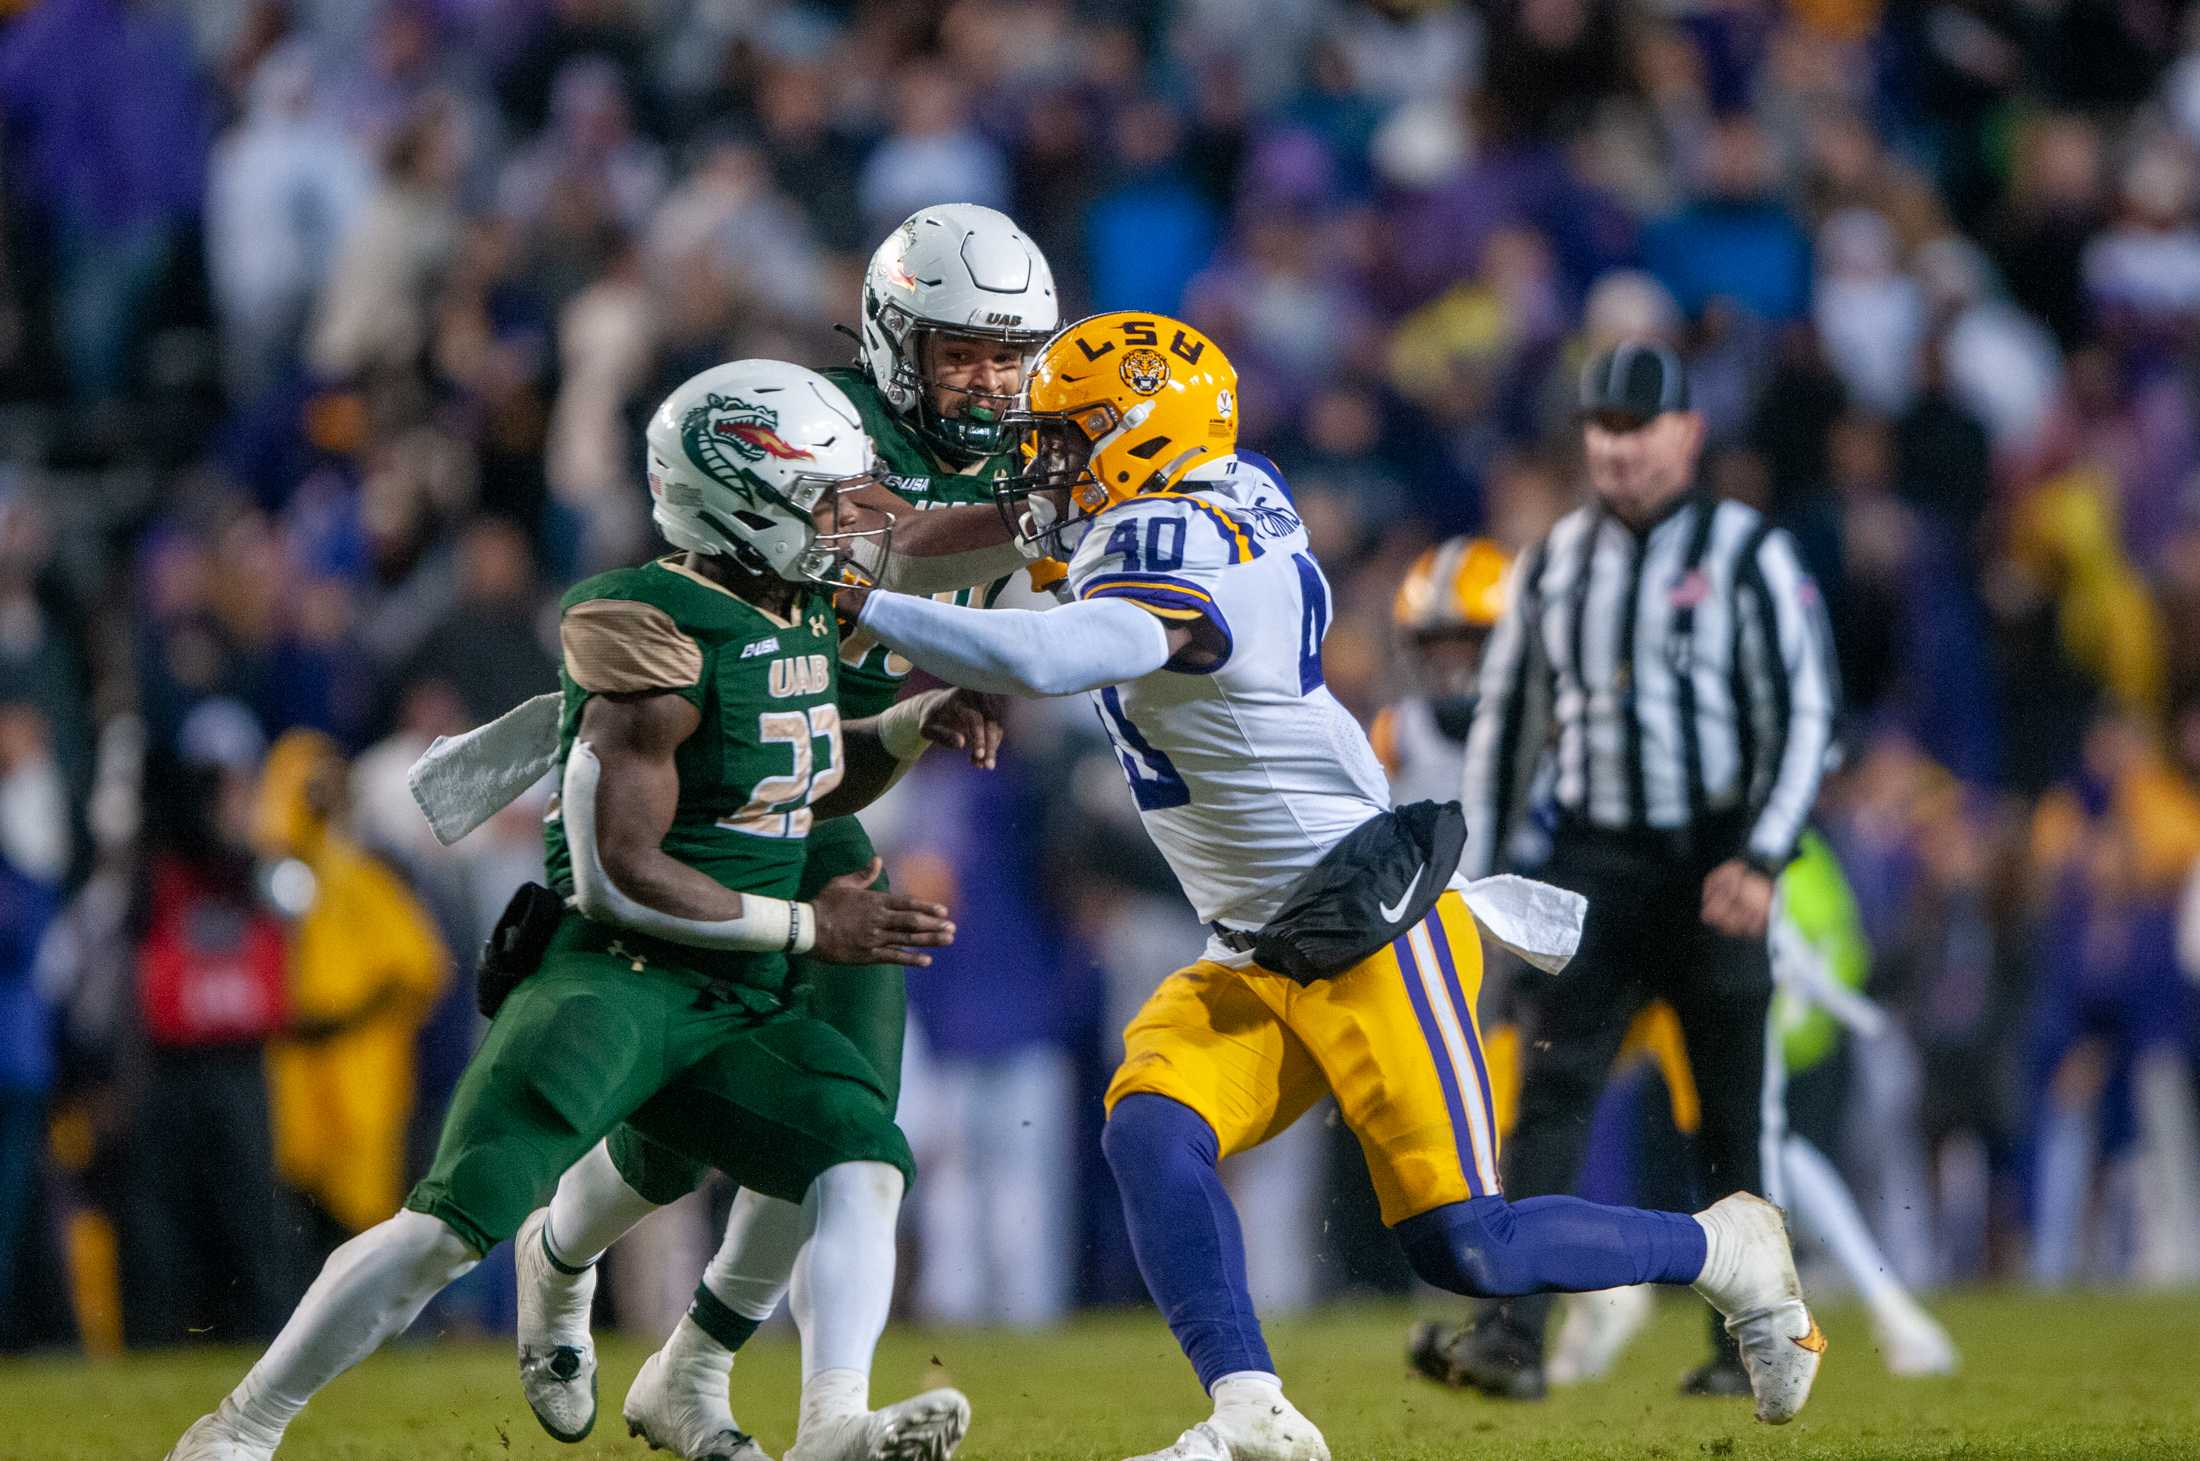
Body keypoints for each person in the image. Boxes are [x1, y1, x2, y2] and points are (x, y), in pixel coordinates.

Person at [835, 312, 1824, 1459]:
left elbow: (1046, 660)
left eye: (1070, 437)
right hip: (1258, 943)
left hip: (1368, 926)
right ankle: (1251, 1409)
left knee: (1468, 1247)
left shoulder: (1182, 547)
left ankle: (1725, 1249)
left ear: (1141, 437)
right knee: (1150, 1131)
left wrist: (859, 593)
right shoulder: (1178, 496)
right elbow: (1003, 537)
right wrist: (883, 535)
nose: (1043, 466)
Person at [164, 359, 1003, 1461]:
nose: (852, 525)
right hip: (615, 976)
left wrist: (902, 727)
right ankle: (239, 1428)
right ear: (743, 501)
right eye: (827, 500)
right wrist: (809, 929)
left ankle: (831, 1427)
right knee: (446, 1231)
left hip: (728, 993)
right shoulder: (646, 628)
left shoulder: (790, 603)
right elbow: (620, 874)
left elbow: (791, 773)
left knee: (859, 1152)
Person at [510, 202, 1061, 1458]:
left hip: (839, 783)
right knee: (673, 1139)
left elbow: (1014, 603)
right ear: (888, 338)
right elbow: (887, 543)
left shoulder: (1027, 460)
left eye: (1004, 353)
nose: (985, 381)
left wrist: (985, 670)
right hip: (717, 793)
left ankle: (745, 1385)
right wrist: (1039, 516)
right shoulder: (819, 423)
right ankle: (558, 1256)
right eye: (958, 351)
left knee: (847, 1119)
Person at [1424, 339, 1842, 1401]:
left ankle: (1747, 1344)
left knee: (1730, 1111)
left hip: (1714, 860)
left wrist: (1761, 853)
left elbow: (1807, 714)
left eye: (1637, 426)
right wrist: (1474, 865)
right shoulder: (1556, 559)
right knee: (1551, 1091)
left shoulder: (1748, 552)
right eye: (1601, 428)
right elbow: (1507, 726)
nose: (1618, 448)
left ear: (1688, 434)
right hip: (1594, 862)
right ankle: (1510, 1333)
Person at [1371, 536, 1516, 807]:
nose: (1449, 659)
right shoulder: (1395, 735)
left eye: (1466, 640)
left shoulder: (1553, 730)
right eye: (1434, 642)